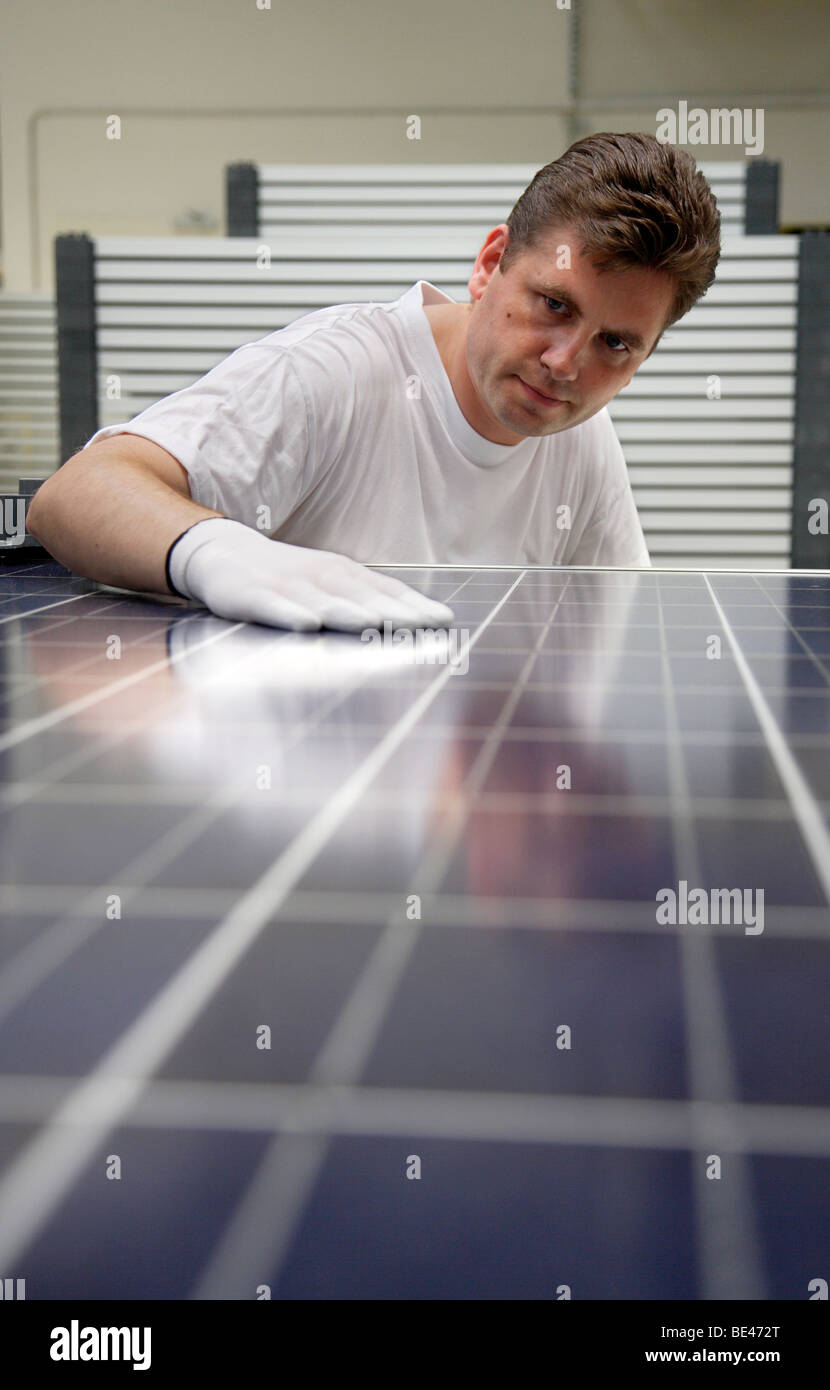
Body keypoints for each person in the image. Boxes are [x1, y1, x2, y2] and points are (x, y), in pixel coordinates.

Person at [27, 131, 720, 633]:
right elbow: (74, 496)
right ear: (491, 263)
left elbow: (616, 640)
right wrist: (212, 551)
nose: (567, 364)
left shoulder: (583, 442)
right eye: (554, 305)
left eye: (617, 344)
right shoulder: (333, 374)